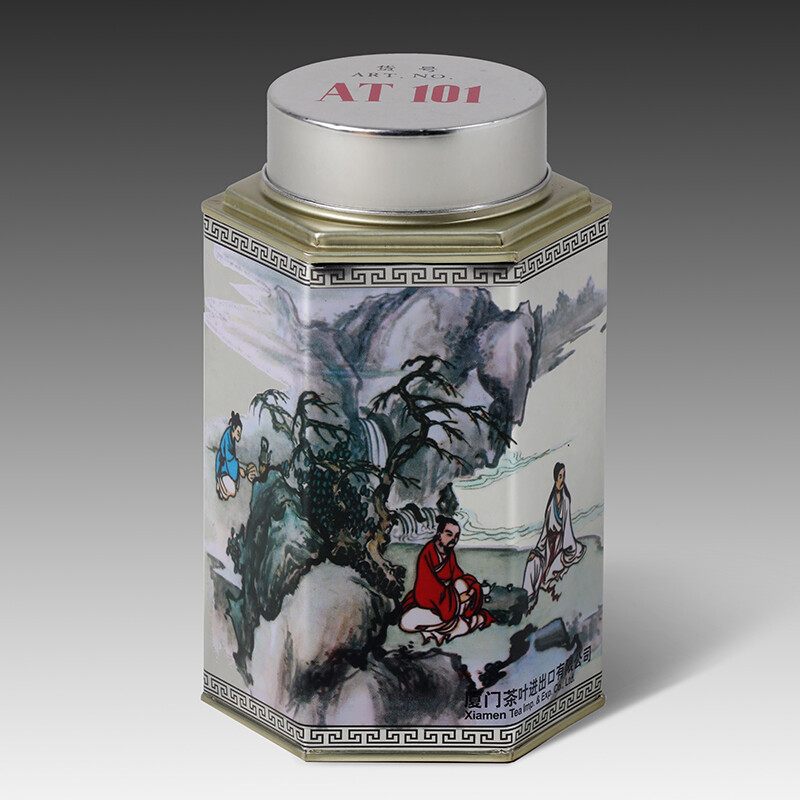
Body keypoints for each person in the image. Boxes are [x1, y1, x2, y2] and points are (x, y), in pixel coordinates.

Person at [399, 516, 494, 645]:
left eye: (456, 536)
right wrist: (457, 600)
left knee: (462, 584)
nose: (453, 539)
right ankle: (456, 625)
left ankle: (446, 626)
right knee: (406, 622)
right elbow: (427, 587)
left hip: (448, 600)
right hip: (431, 601)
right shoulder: (428, 553)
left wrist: (471, 590)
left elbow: (458, 576)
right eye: (449, 534)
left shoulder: (449, 553)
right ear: (439, 534)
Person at [522, 462, 586, 612]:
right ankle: (527, 596)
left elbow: (567, 526)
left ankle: (543, 590)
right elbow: (545, 529)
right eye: (560, 476)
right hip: (547, 544)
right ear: (555, 477)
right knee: (532, 563)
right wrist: (537, 550)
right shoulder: (551, 501)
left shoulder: (566, 500)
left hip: (561, 543)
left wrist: (568, 545)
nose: (562, 479)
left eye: (563, 476)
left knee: (552, 570)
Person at [215, 411, 257, 500]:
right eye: (238, 432)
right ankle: (220, 484)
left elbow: (232, 458)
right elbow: (229, 459)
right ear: (233, 429)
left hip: (227, 467)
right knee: (232, 491)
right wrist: (238, 469)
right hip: (223, 468)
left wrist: (239, 469)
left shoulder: (231, 437)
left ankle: (223, 489)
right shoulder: (227, 437)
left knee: (234, 488)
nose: (239, 436)